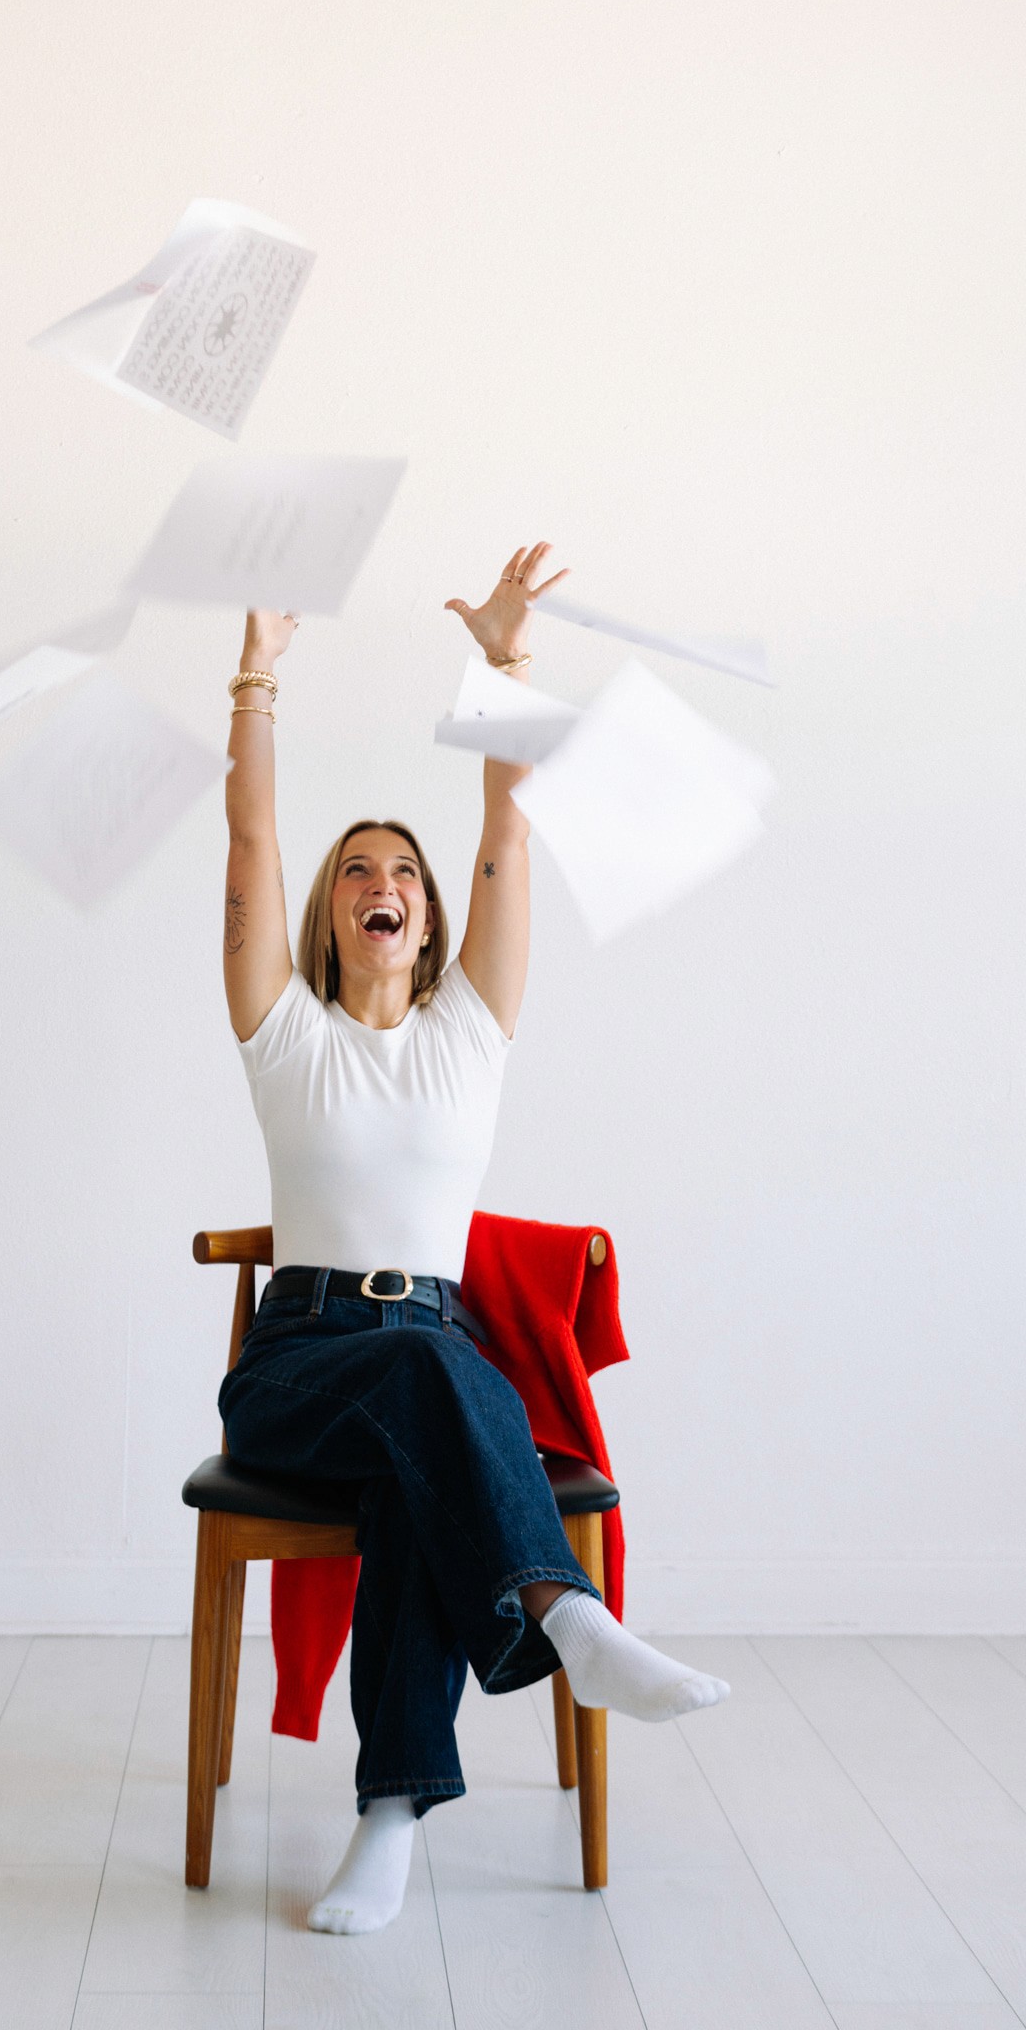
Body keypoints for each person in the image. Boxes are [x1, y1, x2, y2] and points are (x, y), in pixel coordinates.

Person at [216, 542, 730, 1936]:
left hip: (426, 1364)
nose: (379, 881)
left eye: (402, 872)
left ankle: (386, 1823)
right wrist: (256, 672)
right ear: (332, 914)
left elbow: (507, 834)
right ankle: (564, 1619)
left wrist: (505, 664)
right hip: (300, 1364)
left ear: (429, 917)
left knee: (425, 1422)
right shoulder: (284, 1038)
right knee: (430, 1379)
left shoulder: (469, 1038)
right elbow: (250, 843)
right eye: (355, 873)